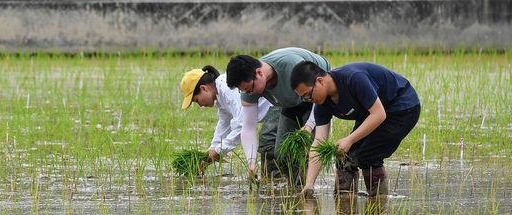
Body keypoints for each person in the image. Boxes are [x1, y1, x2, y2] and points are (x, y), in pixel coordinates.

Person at [290, 60, 420, 198]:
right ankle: (345, 202)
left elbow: (379, 114)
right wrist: (309, 184)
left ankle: (378, 202)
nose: (308, 100)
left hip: (402, 106)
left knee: (368, 156)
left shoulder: (354, 78)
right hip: (371, 112)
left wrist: (350, 139)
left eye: (308, 95)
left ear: (320, 81)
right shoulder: (322, 103)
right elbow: (319, 142)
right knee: (344, 154)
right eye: (304, 98)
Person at [225, 48, 330, 183]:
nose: (249, 93)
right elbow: (248, 127)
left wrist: (308, 126)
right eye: (244, 90)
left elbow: (319, 95)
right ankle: (295, 187)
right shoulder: (248, 88)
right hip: (289, 102)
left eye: (250, 89)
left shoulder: (293, 66)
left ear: (259, 73)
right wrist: (251, 163)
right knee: (281, 153)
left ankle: (307, 188)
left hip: (316, 96)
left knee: (310, 150)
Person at [179, 65, 271, 175]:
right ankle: (272, 180)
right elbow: (224, 124)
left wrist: (218, 151)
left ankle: (275, 180)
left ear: (204, 88)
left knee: (268, 142)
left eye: (196, 100)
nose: (200, 105)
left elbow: (242, 125)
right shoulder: (220, 96)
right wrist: (211, 151)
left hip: (275, 106)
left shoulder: (227, 89)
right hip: (269, 114)